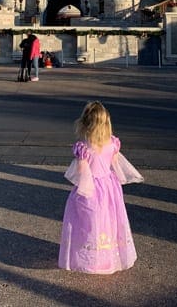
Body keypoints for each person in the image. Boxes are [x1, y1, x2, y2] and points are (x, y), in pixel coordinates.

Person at [59, 101, 143, 273]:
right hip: (109, 187)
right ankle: (107, 256)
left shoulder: (84, 149)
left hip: (91, 188)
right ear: (107, 123)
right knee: (109, 220)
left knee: (89, 222)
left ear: (85, 123)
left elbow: (82, 173)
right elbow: (115, 164)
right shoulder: (113, 143)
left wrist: (82, 191)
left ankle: (90, 258)